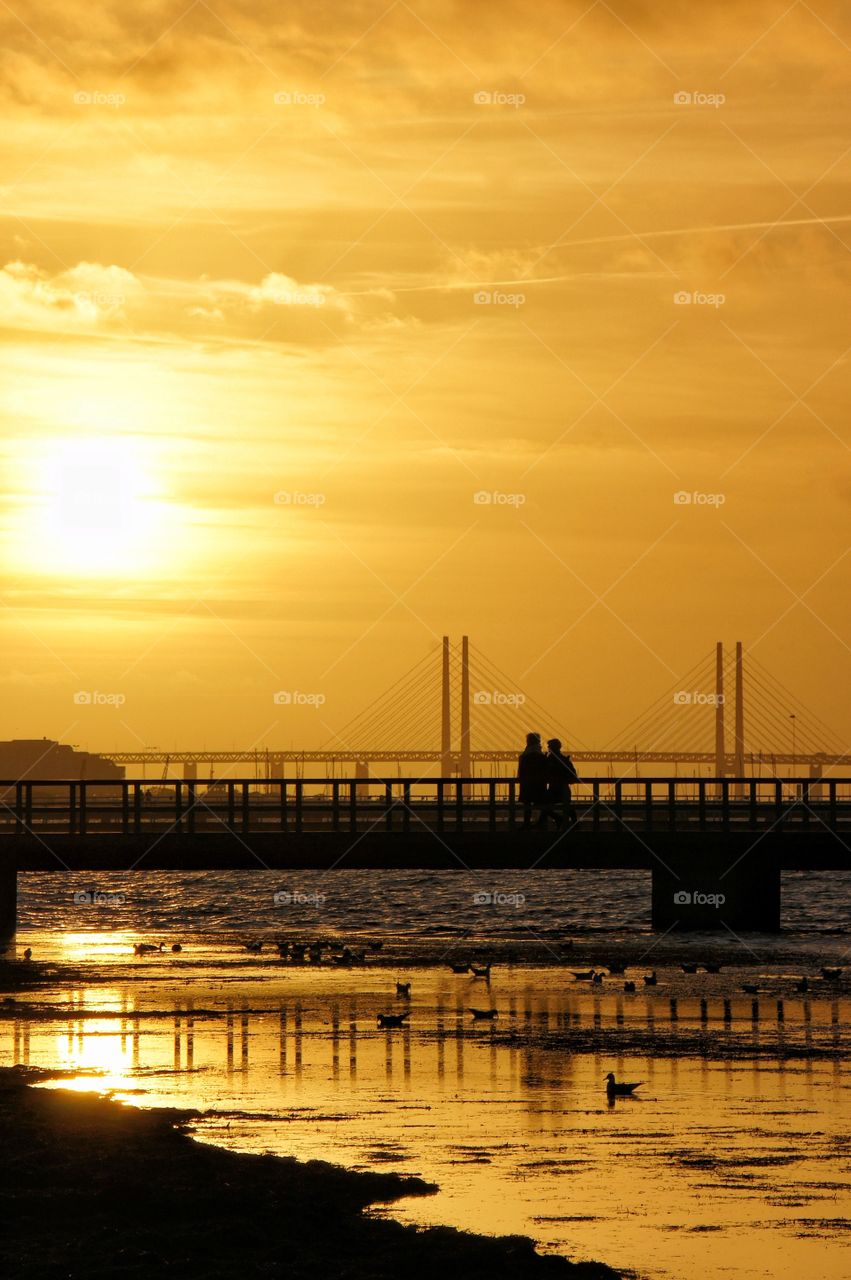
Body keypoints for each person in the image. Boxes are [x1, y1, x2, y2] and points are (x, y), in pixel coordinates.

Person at [543, 739, 579, 829]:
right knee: (568, 807)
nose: (548, 748)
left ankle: (557, 820)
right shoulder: (565, 759)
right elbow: (573, 775)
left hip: (554, 789)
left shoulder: (549, 760)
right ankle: (575, 824)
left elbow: (544, 773)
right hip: (564, 789)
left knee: (544, 806)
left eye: (549, 747)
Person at [517, 732, 548, 828]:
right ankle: (542, 823)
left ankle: (527, 823)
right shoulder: (540, 753)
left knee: (527, 804)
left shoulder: (527, 754)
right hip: (539, 783)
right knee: (541, 803)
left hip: (527, 783)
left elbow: (522, 769)